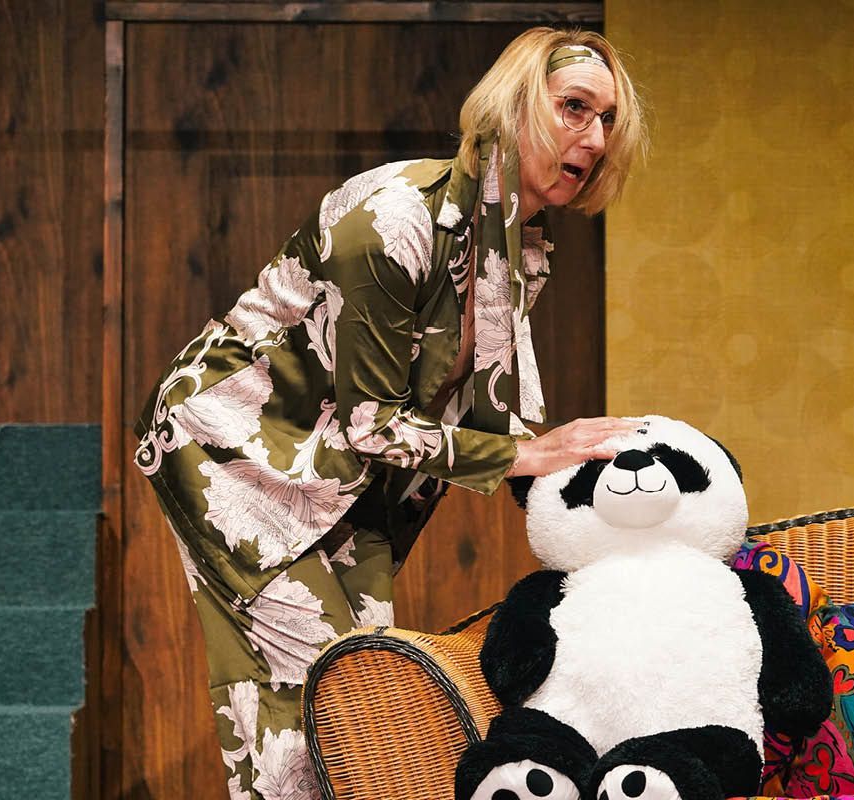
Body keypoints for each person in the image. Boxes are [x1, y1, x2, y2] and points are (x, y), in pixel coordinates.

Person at [132, 26, 646, 800]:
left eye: (607, 120)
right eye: (575, 107)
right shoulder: (392, 219)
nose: (596, 139)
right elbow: (375, 421)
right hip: (232, 448)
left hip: (345, 473)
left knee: (360, 682)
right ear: (513, 106)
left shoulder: (513, 244)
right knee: (309, 689)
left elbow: (473, 405)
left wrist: (586, 497)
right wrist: (528, 455)